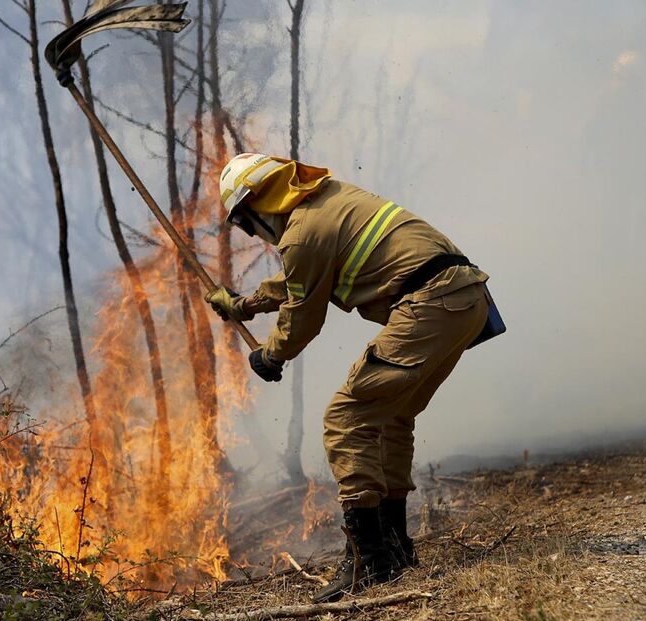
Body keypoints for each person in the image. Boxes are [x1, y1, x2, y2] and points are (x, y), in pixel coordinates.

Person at [206, 153, 502, 602]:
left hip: (429, 303)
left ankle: (369, 559)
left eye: (246, 223)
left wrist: (270, 355)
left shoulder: (303, 233)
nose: (253, 234)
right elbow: (299, 280)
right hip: (465, 298)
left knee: (346, 418)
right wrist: (244, 305)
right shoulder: (328, 202)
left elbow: (302, 317)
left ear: (259, 206)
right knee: (392, 415)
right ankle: (397, 548)